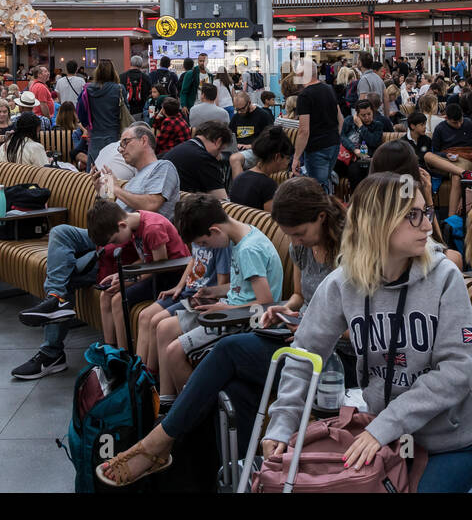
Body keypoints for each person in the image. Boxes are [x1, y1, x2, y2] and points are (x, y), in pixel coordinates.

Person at [96, 177, 341, 488]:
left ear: (320, 218)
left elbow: (354, 326)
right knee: (235, 392)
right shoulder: (301, 248)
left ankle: (159, 442)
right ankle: (233, 476)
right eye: (290, 234)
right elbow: (297, 298)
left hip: (326, 354)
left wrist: (308, 324)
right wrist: (283, 309)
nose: (295, 240)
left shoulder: (344, 258)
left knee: (224, 352)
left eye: (299, 233)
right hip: (292, 336)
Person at [260, 173, 472, 492]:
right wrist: (280, 426)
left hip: (451, 444)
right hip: (384, 439)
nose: (426, 225)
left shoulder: (444, 277)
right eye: (413, 215)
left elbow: (456, 370)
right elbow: (303, 356)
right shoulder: (344, 282)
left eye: (426, 213)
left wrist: (384, 427)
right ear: (376, 223)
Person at [13, 123, 180, 379]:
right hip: (111, 238)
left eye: (125, 142)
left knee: (63, 269)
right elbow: (107, 214)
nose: (121, 148)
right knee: (61, 234)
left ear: (144, 140)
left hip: (126, 246)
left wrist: (116, 188)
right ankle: (57, 298)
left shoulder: (163, 168)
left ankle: (52, 350)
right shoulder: (135, 177)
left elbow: (153, 206)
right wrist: (100, 190)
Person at [160, 194, 283, 396]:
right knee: (165, 329)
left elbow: (265, 302)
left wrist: (225, 309)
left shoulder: (248, 250)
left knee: (174, 352)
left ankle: (193, 411)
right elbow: (242, 287)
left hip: (246, 320)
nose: (206, 248)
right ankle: (167, 402)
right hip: (231, 309)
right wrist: (213, 292)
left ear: (214, 230)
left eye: (204, 243)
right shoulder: (240, 237)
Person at [85, 197, 191, 351]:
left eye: (115, 240)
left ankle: (124, 353)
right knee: (106, 294)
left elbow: (159, 267)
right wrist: (120, 274)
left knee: (118, 300)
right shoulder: (133, 225)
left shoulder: (152, 228)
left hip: (172, 276)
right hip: (155, 273)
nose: (115, 244)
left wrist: (126, 280)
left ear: (121, 225)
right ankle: (110, 348)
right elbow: (145, 259)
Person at [424, 102, 472, 220]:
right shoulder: (440, 128)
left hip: (465, 158)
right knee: (427, 155)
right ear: (446, 118)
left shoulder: (469, 123)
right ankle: (464, 173)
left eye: (460, 121)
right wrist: (445, 155)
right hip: (447, 160)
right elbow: (435, 151)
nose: (458, 125)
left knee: (456, 177)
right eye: (455, 122)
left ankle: (451, 219)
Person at [291, 60, 341, 195]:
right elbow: (340, 118)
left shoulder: (304, 96)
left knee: (317, 190)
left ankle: (325, 214)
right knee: (325, 184)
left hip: (316, 147)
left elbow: (303, 131)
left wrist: (296, 157)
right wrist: (335, 137)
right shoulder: (329, 89)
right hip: (333, 144)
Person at [227, 125, 292, 212]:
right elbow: (272, 221)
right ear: (277, 157)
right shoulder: (268, 185)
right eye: (287, 158)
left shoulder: (240, 177)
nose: (288, 163)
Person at [163, 121, 231, 200]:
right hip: (182, 207)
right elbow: (222, 200)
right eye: (221, 150)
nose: (219, 156)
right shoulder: (204, 159)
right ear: (218, 142)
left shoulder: (183, 148)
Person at [120, 56, 152, 121]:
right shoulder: (146, 77)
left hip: (125, 110)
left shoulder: (122, 77)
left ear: (130, 63)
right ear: (141, 64)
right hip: (141, 110)